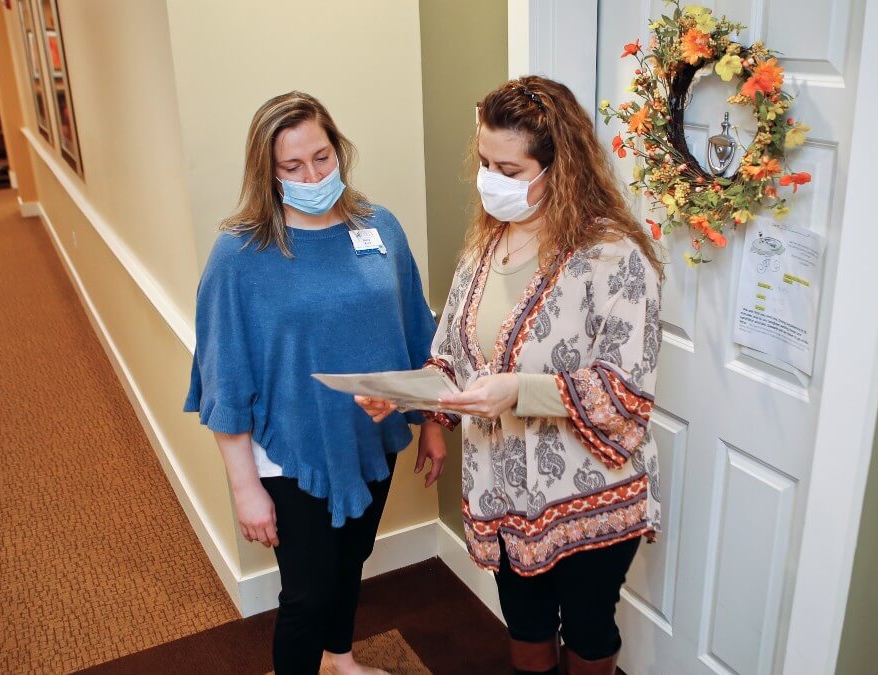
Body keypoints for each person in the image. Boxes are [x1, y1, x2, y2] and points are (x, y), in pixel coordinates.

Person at [357, 76, 664, 675]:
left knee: (588, 631)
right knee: (523, 626)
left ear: (561, 167)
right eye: (484, 162)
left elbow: (626, 393)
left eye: (510, 169)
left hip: (587, 495)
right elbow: (452, 353)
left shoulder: (614, 256)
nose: (491, 180)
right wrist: (407, 395)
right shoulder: (486, 244)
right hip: (500, 488)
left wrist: (517, 391)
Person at [184, 91, 446, 675]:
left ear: (339, 150)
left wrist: (431, 422)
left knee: (350, 563)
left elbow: (417, 331)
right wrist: (245, 488)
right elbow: (222, 377)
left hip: (368, 441)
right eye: (293, 166)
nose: (312, 175)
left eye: (323, 158)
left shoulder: (379, 227)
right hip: (289, 453)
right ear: (267, 171)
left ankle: (340, 660)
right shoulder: (241, 253)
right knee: (305, 595)